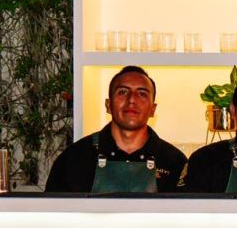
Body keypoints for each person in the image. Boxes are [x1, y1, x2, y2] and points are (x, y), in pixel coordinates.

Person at [45, 66, 186, 193]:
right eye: (122, 92)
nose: (132, 100)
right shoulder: (75, 158)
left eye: (142, 94)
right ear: (108, 105)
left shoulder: (174, 162)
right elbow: (53, 211)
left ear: (152, 109)